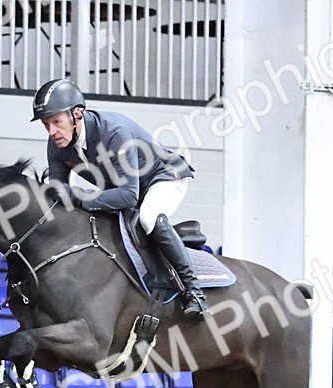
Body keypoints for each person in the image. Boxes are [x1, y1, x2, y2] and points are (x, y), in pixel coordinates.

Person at [31, 78, 209, 322]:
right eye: (46, 124)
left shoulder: (113, 132)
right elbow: (59, 190)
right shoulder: (57, 145)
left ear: (77, 113)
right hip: (126, 188)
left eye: (56, 122)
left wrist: (78, 196)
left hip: (164, 176)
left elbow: (128, 195)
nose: (52, 132)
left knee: (148, 216)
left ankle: (194, 293)